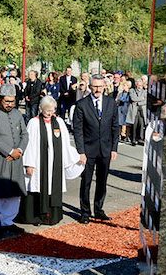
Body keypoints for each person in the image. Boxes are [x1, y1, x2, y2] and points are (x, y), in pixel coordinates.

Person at [18, 96, 84, 225]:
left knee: (52, 186)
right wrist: (29, 164)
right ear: (41, 109)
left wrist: (77, 156)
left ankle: (51, 216)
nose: (49, 113)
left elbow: (65, 142)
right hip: (39, 162)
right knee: (37, 187)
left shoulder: (58, 122)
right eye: (46, 110)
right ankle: (36, 216)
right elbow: (29, 144)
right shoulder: (34, 122)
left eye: (52, 110)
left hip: (55, 162)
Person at [73, 74, 120, 224]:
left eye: (100, 86)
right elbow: (78, 130)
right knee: (86, 182)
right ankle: (85, 212)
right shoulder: (82, 105)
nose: (98, 89)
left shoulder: (111, 103)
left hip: (105, 150)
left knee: (102, 181)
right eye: (95, 86)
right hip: (88, 150)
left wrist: (114, 148)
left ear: (104, 86)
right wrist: (81, 151)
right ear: (90, 86)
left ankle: (99, 210)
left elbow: (115, 127)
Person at [0, 87, 29, 235]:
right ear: (0, 99)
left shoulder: (18, 114)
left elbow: (25, 134)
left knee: (14, 192)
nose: (10, 104)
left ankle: (8, 221)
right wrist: (10, 151)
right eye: (7, 101)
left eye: (12, 101)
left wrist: (19, 151)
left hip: (16, 158)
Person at [127, 76, 147, 146]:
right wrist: (141, 98)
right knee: (134, 125)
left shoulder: (145, 91)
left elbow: (146, 101)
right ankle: (133, 139)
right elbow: (133, 98)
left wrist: (138, 102)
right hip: (134, 110)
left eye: (141, 85)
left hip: (141, 110)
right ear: (136, 85)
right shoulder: (132, 90)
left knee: (142, 125)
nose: (139, 86)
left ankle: (141, 139)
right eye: (138, 85)